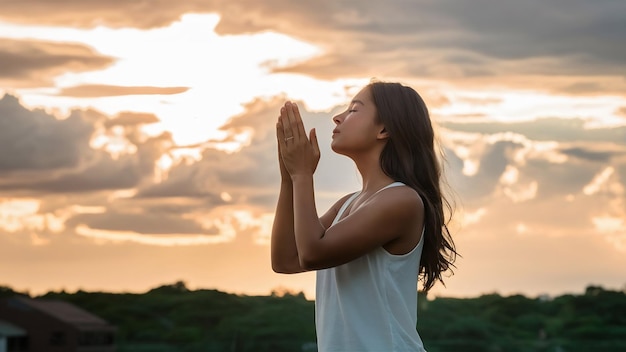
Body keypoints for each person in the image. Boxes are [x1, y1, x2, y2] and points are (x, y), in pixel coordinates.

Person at [271, 81, 458, 352]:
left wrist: (302, 175)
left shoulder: (401, 200)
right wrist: (289, 178)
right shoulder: (348, 204)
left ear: (384, 129)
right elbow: (286, 259)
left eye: (354, 110)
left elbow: (313, 253)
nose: (338, 117)